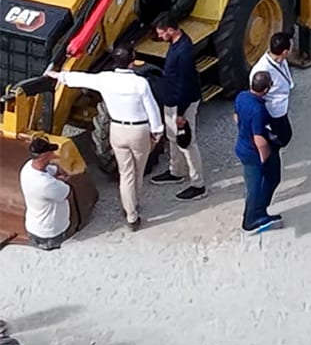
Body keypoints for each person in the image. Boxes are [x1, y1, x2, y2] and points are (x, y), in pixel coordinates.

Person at [48, 47, 162, 232]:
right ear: (132, 61)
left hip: (117, 130)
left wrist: (57, 75)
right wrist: (157, 130)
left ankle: (130, 214)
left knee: (125, 173)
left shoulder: (104, 79)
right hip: (138, 129)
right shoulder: (140, 83)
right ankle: (134, 204)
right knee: (138, 171)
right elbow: (152, 109)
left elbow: (80, 78)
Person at [148, 13, 206, 202]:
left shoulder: (183, 53)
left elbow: (185, 85)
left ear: (171, 30)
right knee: (173, 138)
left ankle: (198, 184)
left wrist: (180, 114)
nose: (160, 37)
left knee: (187, 142)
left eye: (162, 33)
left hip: (182, 104)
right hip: (173, 101)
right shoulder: (177, 44)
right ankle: (176, 171)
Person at [234, 71, 281, 234]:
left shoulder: (241, 97)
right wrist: (265, 158)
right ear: (266, 89)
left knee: (257, 184)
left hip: (241, 146)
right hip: (253, 153)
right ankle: (251, 220)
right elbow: (259, 140)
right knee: (257, 186)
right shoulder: (258, 109)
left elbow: (236, 117)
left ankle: (257, 212)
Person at [251, 32, 295, 171]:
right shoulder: (262, 70)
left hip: (281, 108)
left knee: (285, 136)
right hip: (274, 112)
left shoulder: (280, 60)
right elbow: (257, 94)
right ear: (285, 52)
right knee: (281, 139)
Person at [20, 137, 71, 251]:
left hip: (33, 227)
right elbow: (67, 191)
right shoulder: (45, 184)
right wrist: (62, 179)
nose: (53, 154)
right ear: (44, 156)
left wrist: (58, 173)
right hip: (50, 234)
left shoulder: (28, 167)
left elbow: (54, 170)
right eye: (51, 152)